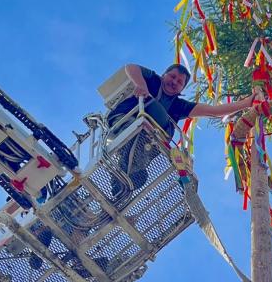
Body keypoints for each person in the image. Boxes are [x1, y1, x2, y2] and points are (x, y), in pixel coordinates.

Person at [106, 63, 253, 198]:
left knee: (136, 164)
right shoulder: (154, 81)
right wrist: (141, 85)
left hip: (148, 140)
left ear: (182, 89)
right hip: (126, 121)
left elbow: (215, 111)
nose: (174, 82)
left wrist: (247, 103)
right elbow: (131, 67)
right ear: (164, 75)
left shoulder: (179, 106)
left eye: (180, 82)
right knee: (152, 110)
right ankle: (123, 176)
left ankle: (122, 187)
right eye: (172, 76)